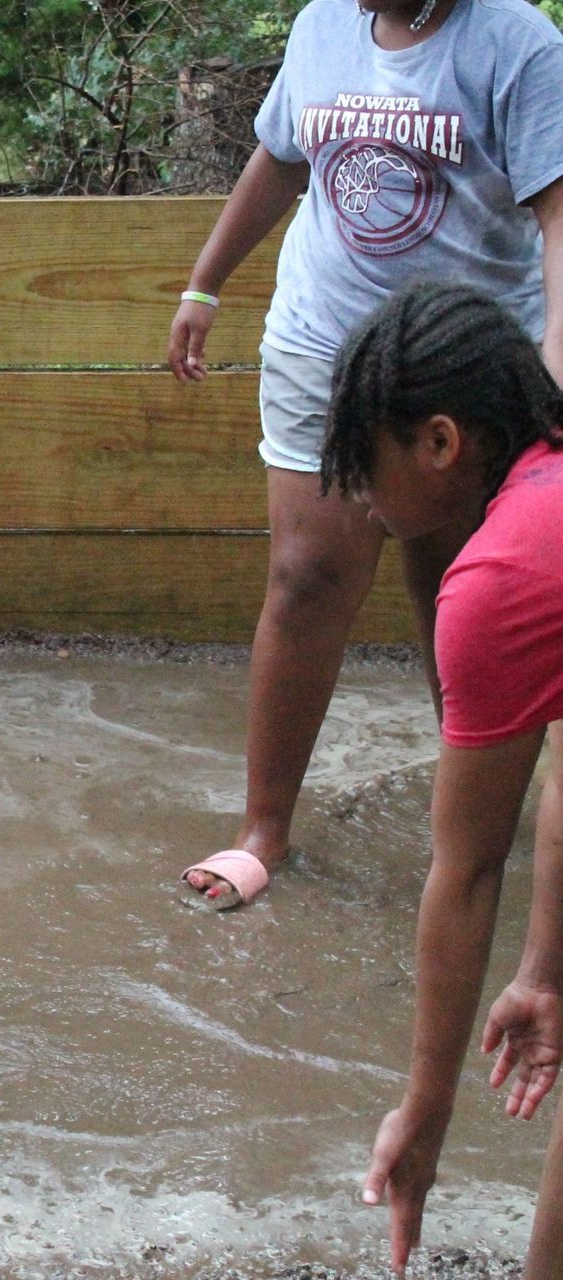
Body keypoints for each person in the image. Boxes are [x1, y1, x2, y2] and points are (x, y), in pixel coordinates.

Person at [168, 0, 563, 910]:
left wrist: (552, 378)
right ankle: (263, 828)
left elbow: (557, 218)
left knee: (459, 590)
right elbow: (281, 154)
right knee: (307, 574)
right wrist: (205, 283)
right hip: (324, 341)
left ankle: (473, 829)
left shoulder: (515, 45)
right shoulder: (321, 28)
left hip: (462, 365)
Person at [340, 283, 563, 1274]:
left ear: (439, 442)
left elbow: (467, 871)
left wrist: (424, 1115)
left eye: (365, 464)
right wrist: (545, 970)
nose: (359, 496)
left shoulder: (500, 576)